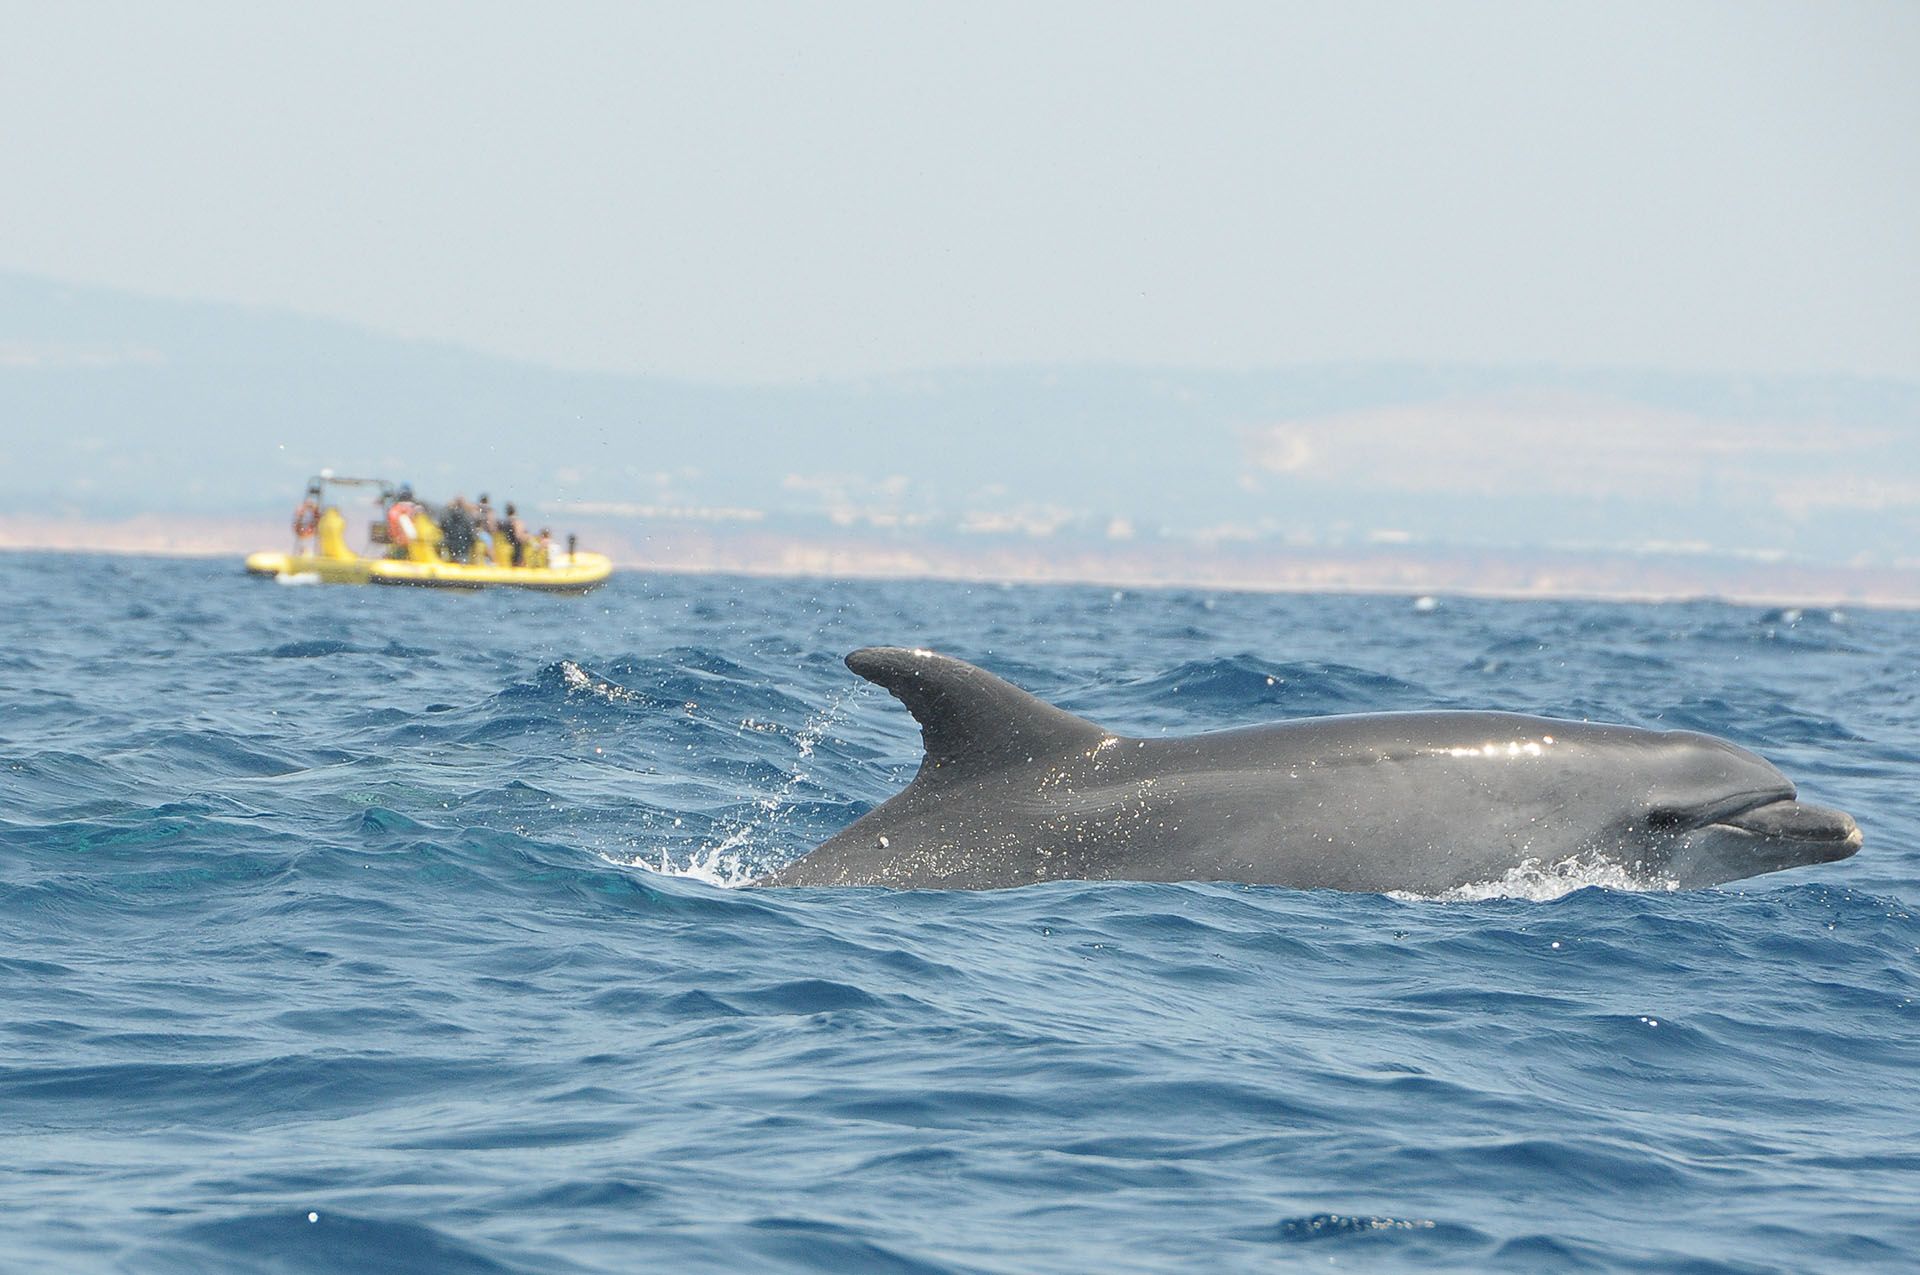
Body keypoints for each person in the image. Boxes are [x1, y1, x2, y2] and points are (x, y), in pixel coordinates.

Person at [385, 484, 420, 558]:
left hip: (400, 545)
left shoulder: (394, 510)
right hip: (412, 548)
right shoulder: (416, 509)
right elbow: (412, 534)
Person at [440, 496, 475, 564]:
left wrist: (448, 506)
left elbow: (442, 524)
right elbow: (473, 535)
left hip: (451, 550)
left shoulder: (450, 517)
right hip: (464, 551)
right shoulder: (467, 517)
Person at [292, 486, 321, 556]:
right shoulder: (303, 511)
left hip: (308, 531)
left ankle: (304, 552)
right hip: (305, 531)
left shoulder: (312, 512)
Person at [502, 502, 526, 566]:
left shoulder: (504, 523)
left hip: (504, 550)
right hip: (515, 550)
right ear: (515, 511)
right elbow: (519, 537)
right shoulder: (516, 522)